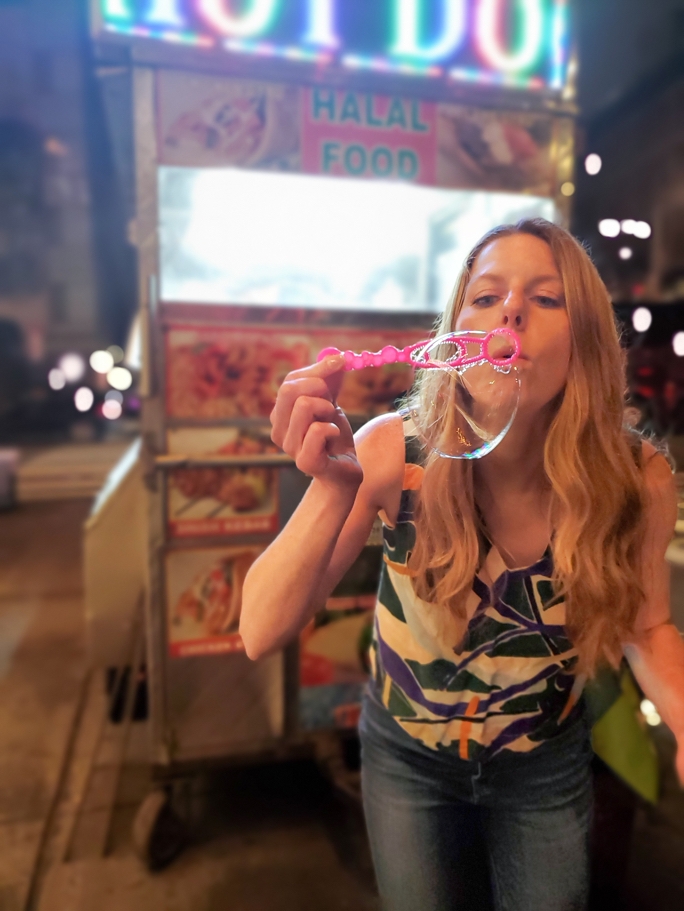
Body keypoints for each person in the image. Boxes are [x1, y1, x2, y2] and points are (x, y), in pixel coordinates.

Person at [240, 219, 684, 911]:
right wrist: (334, 485)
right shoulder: (391, 451)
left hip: (545, 759)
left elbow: (649, 625)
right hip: (407, 757)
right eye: (485, 296)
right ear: (451, 339)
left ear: (586, 342)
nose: (509, 310)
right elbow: (259, 628)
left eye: (546, 298)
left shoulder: (636, 479)